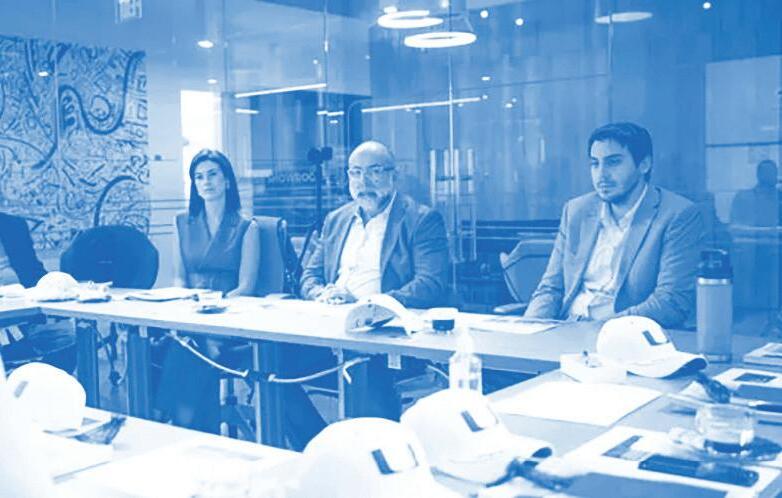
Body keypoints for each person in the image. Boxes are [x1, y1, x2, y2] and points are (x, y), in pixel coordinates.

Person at [286, 140, 450, 449]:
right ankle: (319, 449)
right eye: (356, 173)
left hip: (385, 338)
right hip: (330, 330)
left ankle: (378, 457)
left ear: (393, 175)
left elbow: (430, 284)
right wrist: (322, 294)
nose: (364, 182)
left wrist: (367, 306)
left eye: (374, 172)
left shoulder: (421, 219)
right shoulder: (336, 220)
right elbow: (309, 276)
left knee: (365, 369)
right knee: (271, 367)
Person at [524, 122, 704, 328]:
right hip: (566, 326)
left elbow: (670, 303)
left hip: (624, 333)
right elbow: (551, 288)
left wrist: (600, 329)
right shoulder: (576, 211)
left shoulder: (677, 215)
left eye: (613, 162)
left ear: (644, 165)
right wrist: (528, 328)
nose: (601, 175)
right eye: (595, 164)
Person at [156, 149, 260, 433]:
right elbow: (179, 277)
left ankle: (176, 423)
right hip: (191, 313)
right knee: (164, 344)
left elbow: (246, 287)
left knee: (190, 347)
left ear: (227, 181)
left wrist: (216, 309)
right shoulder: (181, 223)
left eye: (212, 174)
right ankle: (189, 426)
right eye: (199, 177)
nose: (206, 182)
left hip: (231, 316)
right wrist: (184, 303)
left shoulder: (246, 227)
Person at [0, 212, 76, 372]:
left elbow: (32, 271)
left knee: (70, 337)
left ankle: (38, 385)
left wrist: (55, 284)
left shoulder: (12, 225)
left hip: (23, 323)